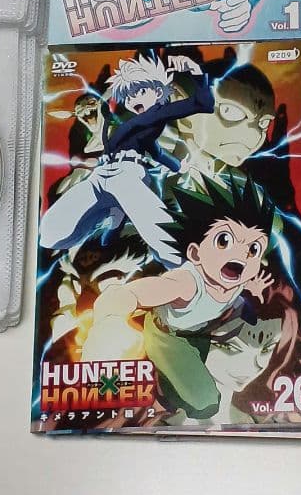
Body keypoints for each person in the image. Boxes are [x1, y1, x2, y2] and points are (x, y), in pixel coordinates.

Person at [81, 176, 277, 420]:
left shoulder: (237, 274)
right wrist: (109, 323)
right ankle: (159, 386)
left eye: (254, 248)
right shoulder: (185, 284)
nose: (242, 254)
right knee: (206, 403)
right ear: (195, 253)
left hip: (199, 330)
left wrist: (253, 287)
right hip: (168, 335)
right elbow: (128, 294)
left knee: (198, 375)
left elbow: (240, 278)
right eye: (224, 241)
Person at [38, 54, 213, 267]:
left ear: (158, 92)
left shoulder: (156, 113)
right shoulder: (142, 125)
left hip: (126, 175)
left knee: (164, 237)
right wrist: (177, 165)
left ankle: (186, 266)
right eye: (128, 97)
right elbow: (155, 151)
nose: (132, 100)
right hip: (102, 174)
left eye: (140, 92)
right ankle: (115, 213)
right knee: (50, 232)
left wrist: (195, 70)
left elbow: (202, 103)